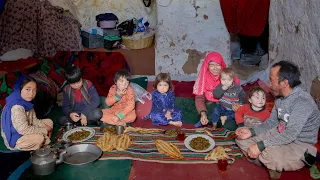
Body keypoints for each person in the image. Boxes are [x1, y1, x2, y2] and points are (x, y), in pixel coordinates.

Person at [235, 61, 320, 179]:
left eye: (271, 80)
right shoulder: (280, 97)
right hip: (279, 132)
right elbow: (271, 123)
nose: (269, 84)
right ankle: (271, 163)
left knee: (267, 154)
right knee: (241, 137)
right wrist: (251, 132)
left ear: (284, 83)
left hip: (298, 144)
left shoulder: (302, 102)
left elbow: (290, 134)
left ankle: (281, 160)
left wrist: (260, 145)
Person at [1, 76, 53, 150]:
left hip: (27, 127)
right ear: (19, 89)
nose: (31, 93)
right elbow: (23, 130)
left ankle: (42, 140)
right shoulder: (17, 107)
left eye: (34, 90)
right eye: (28, 89)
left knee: (49, 122)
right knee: (39, 138)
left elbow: (34, 120)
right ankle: (42, 140)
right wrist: (44, 130)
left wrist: (45, 127)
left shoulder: (26, 102)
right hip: (16, 137)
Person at [193, 52, 240, 128]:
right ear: (207, 65)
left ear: (221, 64)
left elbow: (238, 95)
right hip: (209, 105)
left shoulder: (229, 77)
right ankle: (208, 119)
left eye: (218, 64)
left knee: (232, 123)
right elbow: (199, 97)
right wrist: (203, 113)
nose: (215, 68)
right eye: (211, 65)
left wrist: (236, 106)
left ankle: (215, 121)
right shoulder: (203, 77)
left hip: (227, 106)